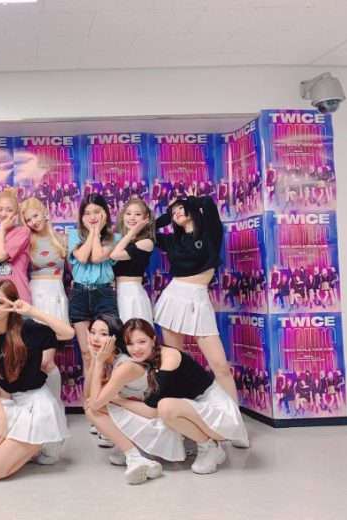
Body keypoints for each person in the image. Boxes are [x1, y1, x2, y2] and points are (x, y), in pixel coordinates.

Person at [153, 190, 249, 448]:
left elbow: (207, 203)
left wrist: (186, 202)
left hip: (198, 298)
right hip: (173, 298)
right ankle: (180, 426)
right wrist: (168, 215)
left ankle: (235, 426)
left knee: (221, 367)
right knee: (174, 364)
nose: (176, 213)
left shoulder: (209, 232)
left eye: (180, 209)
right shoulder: (172, 240)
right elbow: (149, 231)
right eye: (172, 212)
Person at [106, 319, 248, 476]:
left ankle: (209, 446)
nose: (136, 349)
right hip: (193, 409)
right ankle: (141, 448)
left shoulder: (169, 358)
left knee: (165, 407)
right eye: (130, 344)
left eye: (142, 342)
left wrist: (116, 399)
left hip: (217, 415)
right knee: (153, 404)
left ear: (153, 340)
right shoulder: (144, 359)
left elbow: (151, 411)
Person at [0, 280, 75, 480]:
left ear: (12, 304)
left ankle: (44, 440)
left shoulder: (28, 329)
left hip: (38, 405)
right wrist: (1, 420)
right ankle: (32, 445)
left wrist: (31, 311)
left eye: (0, 302)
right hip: (16, 404)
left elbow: (68, 333)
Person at [84, 314, 163, 485]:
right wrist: (94, 361)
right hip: (140, 417)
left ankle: (134, 456)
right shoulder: (109, 359)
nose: (96, 338)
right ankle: (137, 455)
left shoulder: (125, 365)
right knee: (91, 406)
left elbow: (95, 404)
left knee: (92, 409)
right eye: (93, 332)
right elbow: (88, 396)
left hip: (155, 424)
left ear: (115, 338)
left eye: (103, 334)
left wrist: (98, 363)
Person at [68, 193, 118, 413]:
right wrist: (91, 232)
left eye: (97, 212)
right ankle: (91, 407)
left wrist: (97, 232)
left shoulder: (114, 238)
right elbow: (81, 257)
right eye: (87, 213)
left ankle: (106, 406)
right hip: (80, 294)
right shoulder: (73, 235)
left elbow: (97, 257)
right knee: (87, 354)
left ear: (105, 213)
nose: (92, 217)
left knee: (107, 354)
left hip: (104, 294)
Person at [20, 197, 68, 401]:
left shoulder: (62, 238)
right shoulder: (26, 241)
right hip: (36, 297)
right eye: (28, 220)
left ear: (45, 212)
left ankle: (56, 406)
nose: (33, 222)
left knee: (48, 361)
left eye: (35, 216)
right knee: (39, 361)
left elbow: (76, 270)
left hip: (56, 295)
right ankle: (43, 405)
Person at [0, 188, 32, 302]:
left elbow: (0, 256)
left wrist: (2, 228)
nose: (3, 214)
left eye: (9, 210)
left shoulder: (22, 232)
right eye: (0, 209)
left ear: (16, 213)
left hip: (18, 296)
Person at [110, 198, 155, 323]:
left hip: (132, 294)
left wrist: (133, 231)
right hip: (117, 293)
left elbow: (114, 255)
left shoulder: (146, 242)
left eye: (137, 214)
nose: (132, 218)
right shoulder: (120, 240)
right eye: (128, 213)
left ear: (146, 217)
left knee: (133, 331)